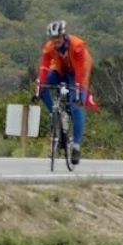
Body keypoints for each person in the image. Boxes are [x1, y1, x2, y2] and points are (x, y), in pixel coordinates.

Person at [34, 20, 92, 165]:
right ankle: (57, 113)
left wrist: (78, 93)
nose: (56, 40)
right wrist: (39, 87)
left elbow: (79, 71)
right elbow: (44, 68)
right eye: (53, 38)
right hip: (61, 70)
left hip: (78, 73)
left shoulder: (77, 46)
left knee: (76, 107)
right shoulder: (49, 48)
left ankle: (76, 147)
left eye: (58, 37)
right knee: (42, 88)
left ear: (64, 35)